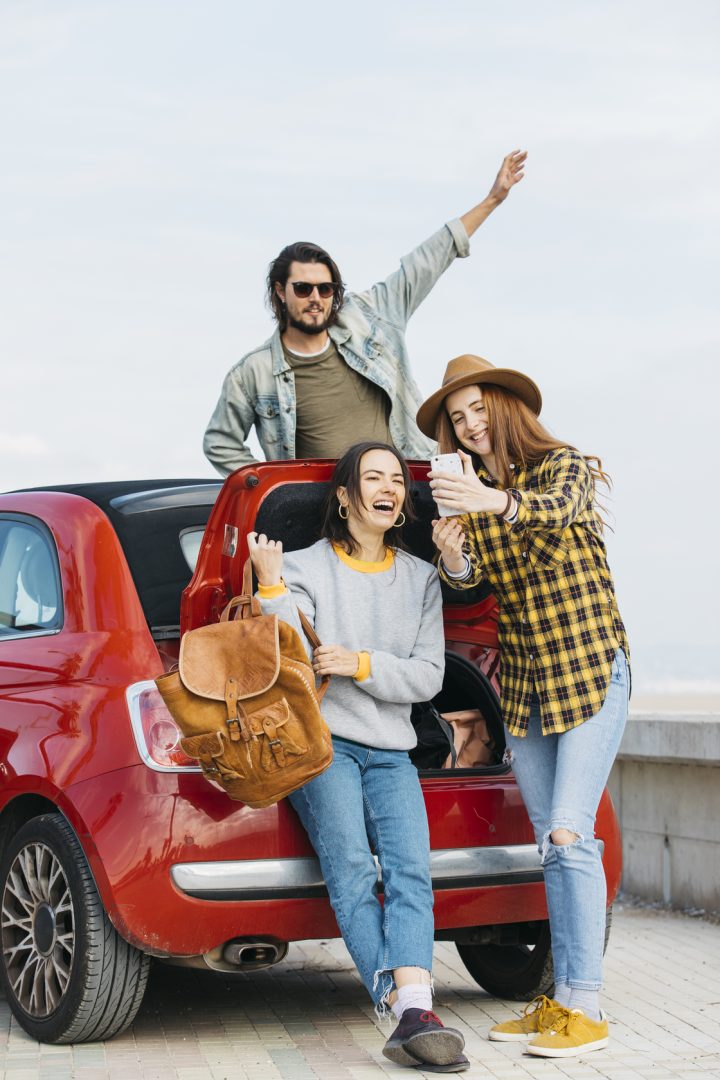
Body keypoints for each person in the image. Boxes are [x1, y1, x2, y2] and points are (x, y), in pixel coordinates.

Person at [419, 354, 630, 1060]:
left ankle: (588, 1008)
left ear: (506, 408)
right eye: (458, 418)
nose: (471, 426)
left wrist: (489, 502)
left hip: (593, 672)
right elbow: (471, 583)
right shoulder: (472, 497)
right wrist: (451, 554)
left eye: (479, 410)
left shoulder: (561, 467)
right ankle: (564, 999)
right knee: (550, 844)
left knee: (571, 837)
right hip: (530, 688)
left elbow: (553, 512)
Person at [247, 441, 469, 1072]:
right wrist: (269, 584)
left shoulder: (422, 577)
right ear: (345, 496)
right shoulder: (307, 566)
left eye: (396, 480)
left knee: (410, 871)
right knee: (349, 870)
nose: (388, 488)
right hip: (324, 747)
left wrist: (361, 663)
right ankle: (405, 1007)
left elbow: (428, 677)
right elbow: (286, 651)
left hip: (392, 750)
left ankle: (412, 1006)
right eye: (372, 478)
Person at [204, 151, 527, 474]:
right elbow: (220, 442)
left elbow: (425, 262)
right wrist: (271, 487)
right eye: (303, 288)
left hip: (409, 485)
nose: (315, 298)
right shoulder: (252, 373)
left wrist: (492, 200)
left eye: (325, 289)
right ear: (280, 291)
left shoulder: (369, 317)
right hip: (326, 511)